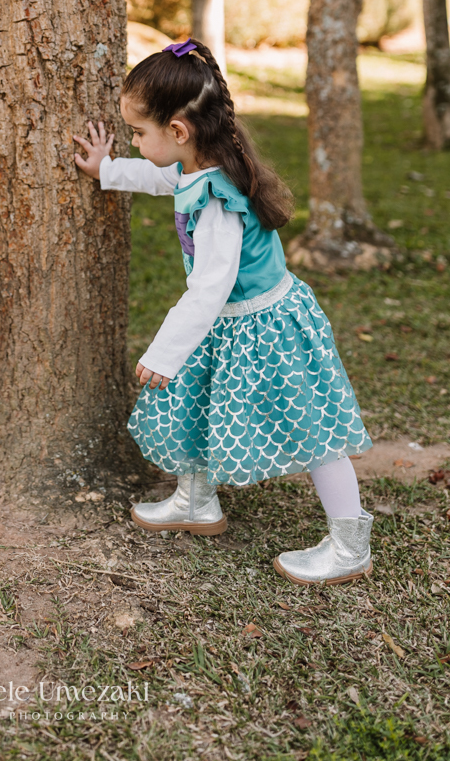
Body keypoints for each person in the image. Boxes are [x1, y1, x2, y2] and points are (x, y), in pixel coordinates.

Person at [74, 39, 374, 586]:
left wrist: (165, 351)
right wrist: (107, 170)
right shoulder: (203, 164)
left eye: (139, 133)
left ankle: (350, 541)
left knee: (314, 431)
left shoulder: (216, 199)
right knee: (195, 399)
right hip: (231, 323)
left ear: (179, 131)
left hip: (265, 325)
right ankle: (196, 500)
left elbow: (211, 287)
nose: (136, 142)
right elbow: (163, 178)